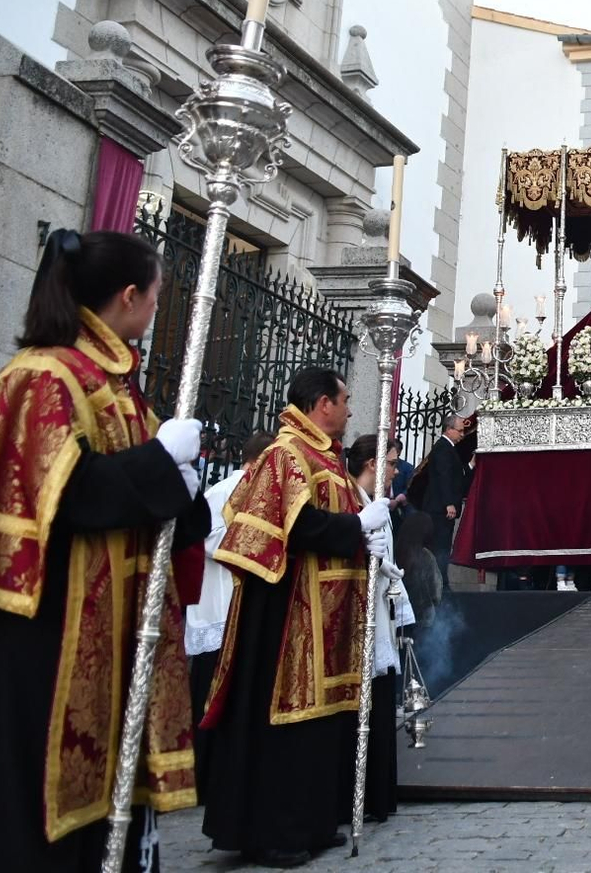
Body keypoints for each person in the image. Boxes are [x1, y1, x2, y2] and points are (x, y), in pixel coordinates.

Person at [0, 229, 207, 872]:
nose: (155, 308)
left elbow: (161, 508)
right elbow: (68, 493)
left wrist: (184, 488)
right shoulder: (43, 376)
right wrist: (159, 464)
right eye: (155, 295)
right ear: (128, 296)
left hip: (111, 632)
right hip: (44, 633)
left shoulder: (117, 385)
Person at [199, 366, 393, 868]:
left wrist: (365, 538)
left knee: (320, 727)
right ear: (323, 403)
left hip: (327, 616)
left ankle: (311, 822)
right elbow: (296, 525)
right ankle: (273, 831)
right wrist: (356, 525)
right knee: (286, 725)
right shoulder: (285, 454)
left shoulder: (324, 457)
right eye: (345, 401)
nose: (350, 410)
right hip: (287, 618)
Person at [190, 429, 277, 781]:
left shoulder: (262, 492)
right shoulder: (225, 491)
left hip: (240, 604)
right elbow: (206, 538)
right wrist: (252, 545)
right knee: (208, 693)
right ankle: (202, 772)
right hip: (219, 605)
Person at [343, 433, 411, 825]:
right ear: (372, 464)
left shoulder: (375, 503)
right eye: (390, 463)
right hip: (360, 614)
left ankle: (376, 795)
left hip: (380, 608)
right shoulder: (354, 501)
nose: (394, 471)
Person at [419, 412, 473, 585]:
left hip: (441, 508)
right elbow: (444, 476)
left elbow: (455, 474)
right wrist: (449, 503)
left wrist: (471, 465)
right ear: (449, 429)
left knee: (443, 547)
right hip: (439, 509)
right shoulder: (443, 447)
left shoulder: (448, 448)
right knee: (439, 547)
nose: (462, 435)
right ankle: (439, 584)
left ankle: (441, 581)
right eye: (460, 431)